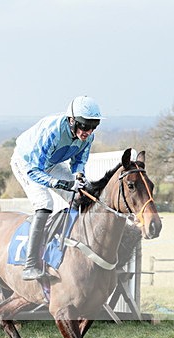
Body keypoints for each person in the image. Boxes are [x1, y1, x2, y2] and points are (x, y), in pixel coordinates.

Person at [11, 95, 103, 280]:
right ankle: (30, 265)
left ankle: (73, 249)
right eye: (84, 126)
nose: (88, 131)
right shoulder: (52, 132)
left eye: (93, 126)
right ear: (72, 120)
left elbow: (79, 161)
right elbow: (35, 171)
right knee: (45, 204)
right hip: (27, 165)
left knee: (81, 198)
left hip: (51, 164)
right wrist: (62, 183)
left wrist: (78, 177)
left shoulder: (88, 136)